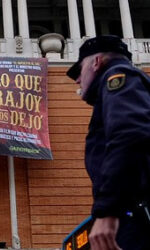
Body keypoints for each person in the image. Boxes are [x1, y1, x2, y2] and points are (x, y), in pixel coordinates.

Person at [66, 35, 150, 250]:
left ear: (96, 62)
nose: (77, 80)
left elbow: (130, 135)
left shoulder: (118, 76)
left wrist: (107, 212)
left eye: (79, 70)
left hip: (135, 214)